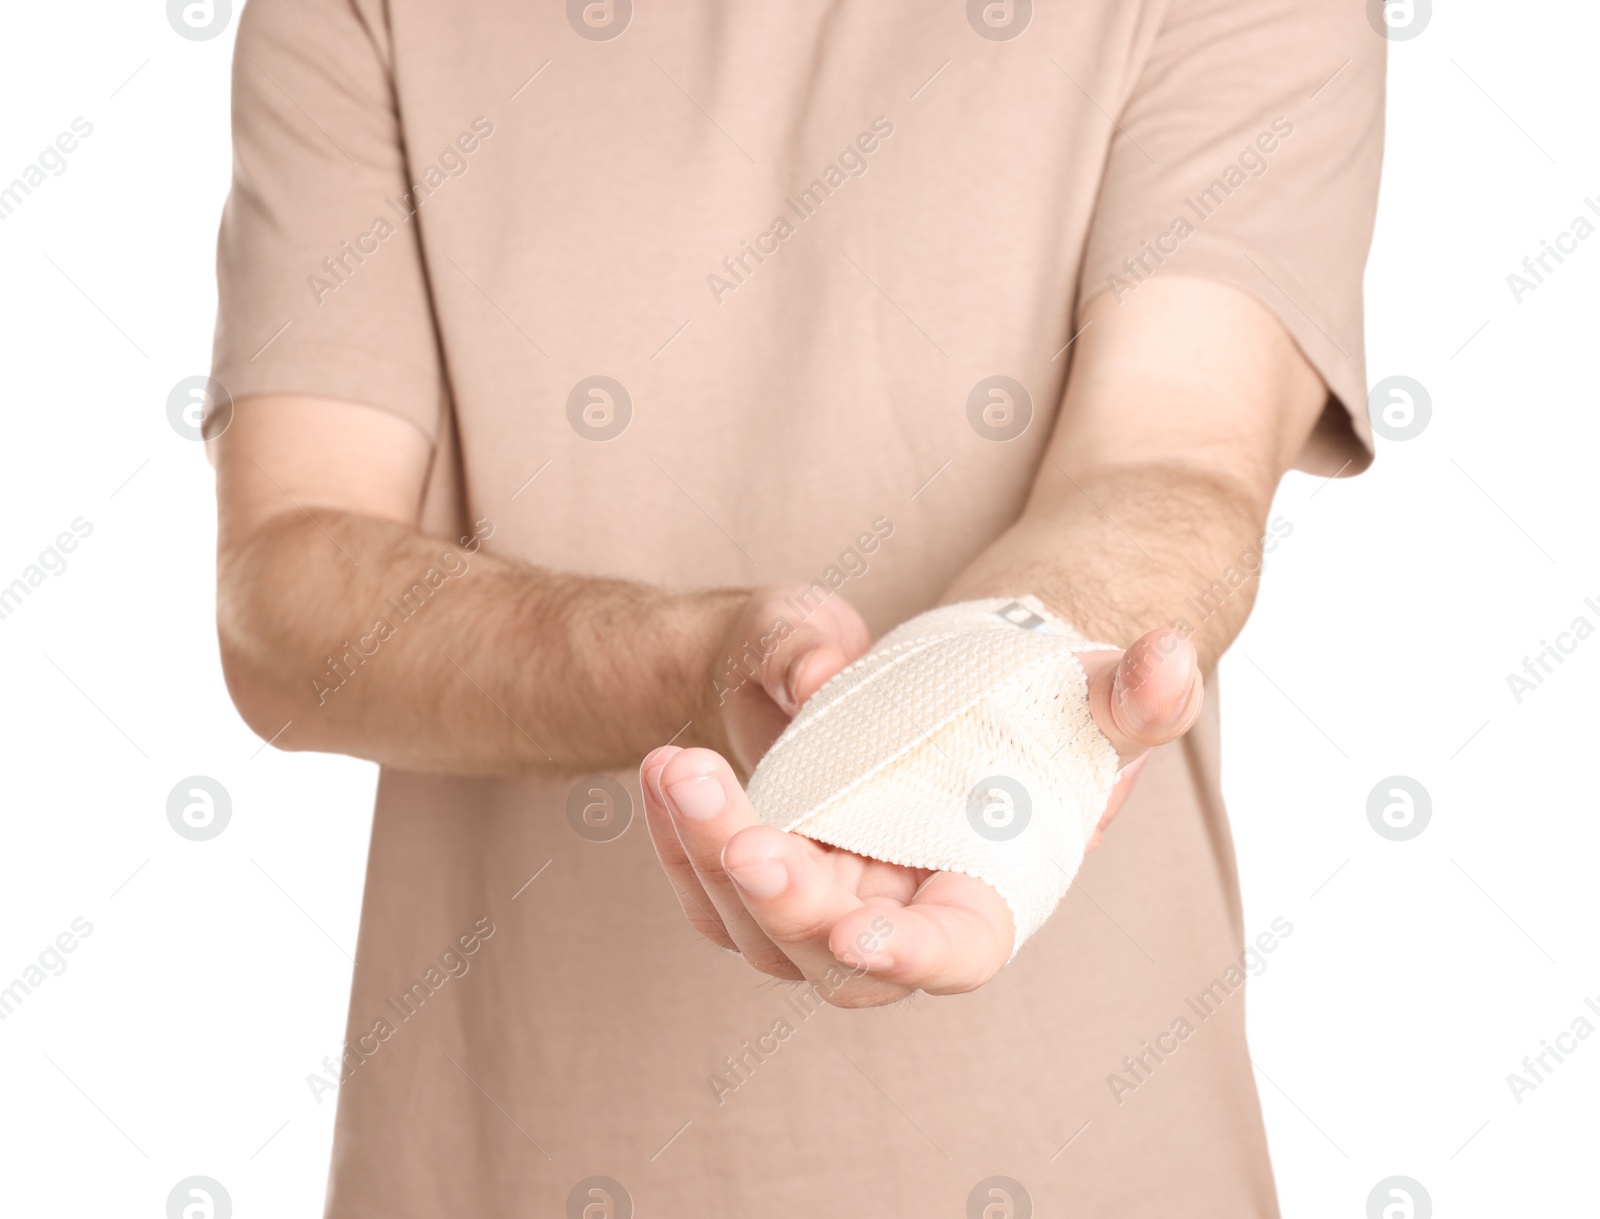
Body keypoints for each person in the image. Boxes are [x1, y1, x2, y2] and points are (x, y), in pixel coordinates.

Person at [208, 0, 1383, 1213]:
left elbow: (1170, 461)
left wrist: (984, 696)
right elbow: (287, 587)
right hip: (491, 1165)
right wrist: (691, 669)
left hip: (1089, 1159)